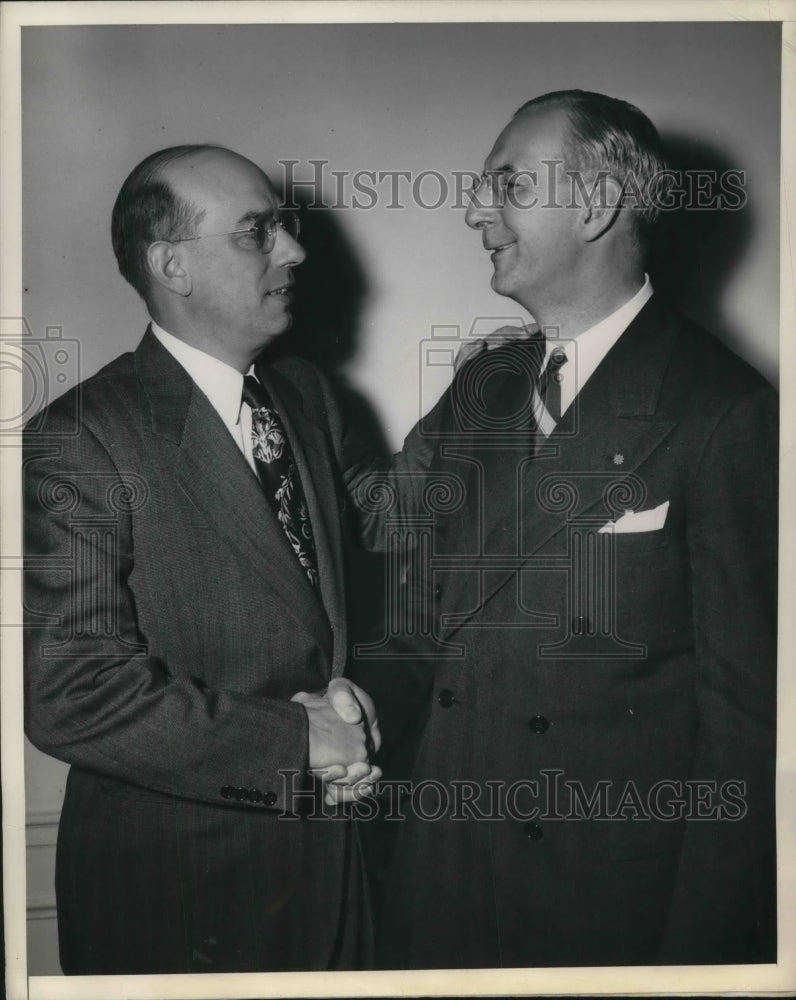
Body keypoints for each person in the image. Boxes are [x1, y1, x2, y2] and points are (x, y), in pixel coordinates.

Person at [352, 90, 777, 967]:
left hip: (605, 907)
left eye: (505, 183)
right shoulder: (486, 385)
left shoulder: (724, 409)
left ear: (594, 206)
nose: (475, 211)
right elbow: (401, 581)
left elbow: (749, 727)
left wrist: (699, 961)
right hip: (440, 885)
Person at [24, 144, 382, 975]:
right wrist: (300, 740)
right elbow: (70, 695)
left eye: (286, 226)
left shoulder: (307, 395)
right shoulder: (82, 438)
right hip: (180, 896)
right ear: (172, 265)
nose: (294, 250)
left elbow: (390, 533)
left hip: (338, 872)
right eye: (259, 232)